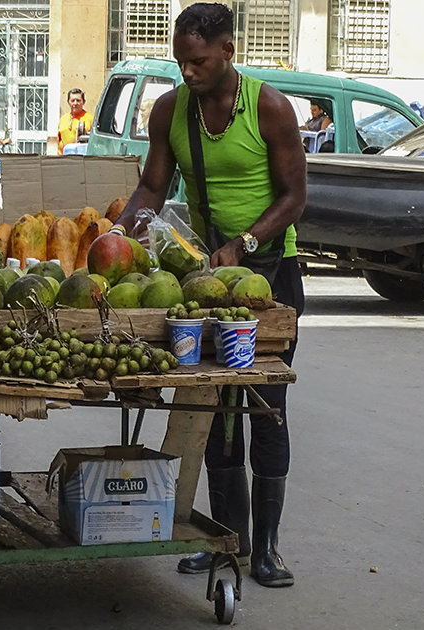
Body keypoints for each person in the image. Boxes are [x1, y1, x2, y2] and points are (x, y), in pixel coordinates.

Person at [111, 2, 306, 588]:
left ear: (227, 50)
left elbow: (295, 197)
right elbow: (152, 185)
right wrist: (118, 235)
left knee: (264, 405)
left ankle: (266, 547)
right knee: (214, 405)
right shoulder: (172, 109)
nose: (187, 71)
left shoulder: (269, 108)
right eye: (180, 61)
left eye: (197, 61)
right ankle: (228, 539)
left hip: (270, 270)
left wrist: (245, 243)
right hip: (205, 276)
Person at [57, 88, 94, 154]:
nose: (75, 103)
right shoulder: (63, 119)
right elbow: (59, 142)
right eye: (72, 100)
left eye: (78, 100)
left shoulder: (90, 119)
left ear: (84, 102)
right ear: (68, 102)